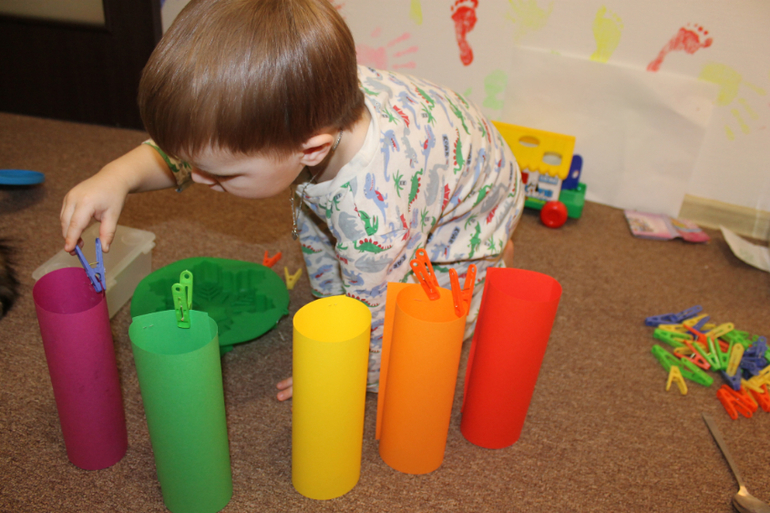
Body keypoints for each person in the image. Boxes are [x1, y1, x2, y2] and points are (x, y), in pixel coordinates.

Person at [60, 0, 524, 401]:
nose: (198, 180)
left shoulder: (373, 222)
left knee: (429, 329)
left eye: (221, 175)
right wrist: (117, 176)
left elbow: (378, 317)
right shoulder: (307, 102)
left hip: (472, 211)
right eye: (192, 165)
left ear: (312, 150)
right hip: (429, 158)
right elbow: (198, 150)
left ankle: (490, 258)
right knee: (328, 255)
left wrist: (339, 369)